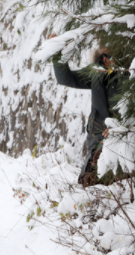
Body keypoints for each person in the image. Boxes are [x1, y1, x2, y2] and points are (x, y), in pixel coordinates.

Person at [51, 39, 125, 186]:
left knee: (121, 185)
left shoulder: (132, 67)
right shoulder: (96, 70)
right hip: (97, 137)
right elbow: (65, 78)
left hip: (123, 137)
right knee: (91, 184)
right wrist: (57, 51)